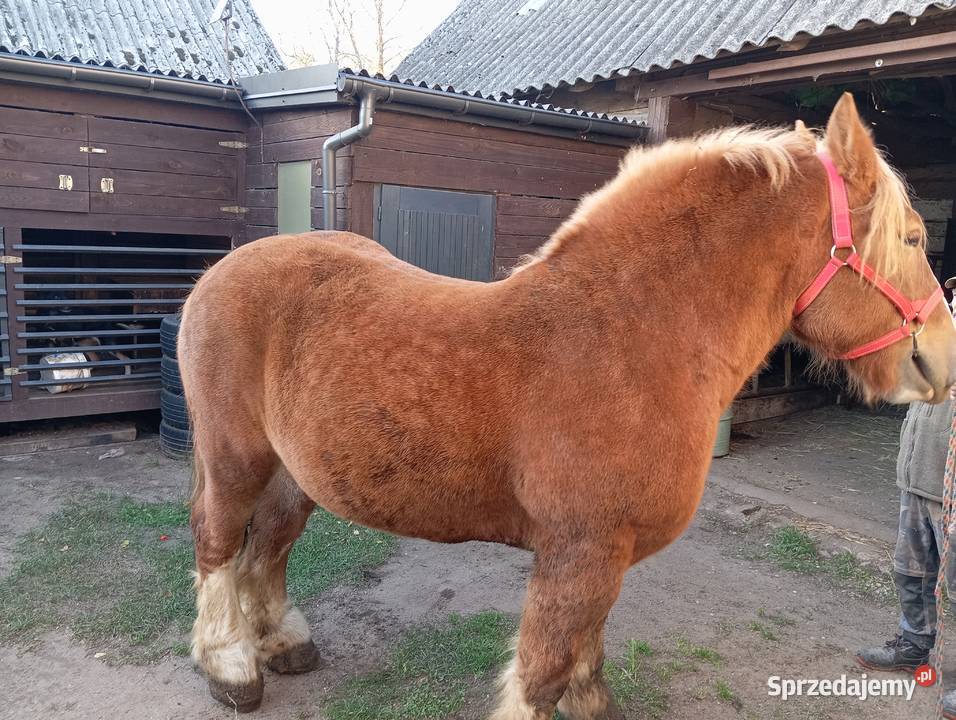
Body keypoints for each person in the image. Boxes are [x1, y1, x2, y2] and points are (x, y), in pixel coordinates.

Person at [856, 277, 956, 715]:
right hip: (918, 477)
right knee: (910, 572)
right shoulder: (940, 338)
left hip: (950, 488)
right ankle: (914, 644)